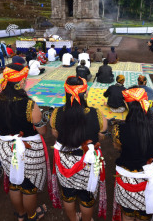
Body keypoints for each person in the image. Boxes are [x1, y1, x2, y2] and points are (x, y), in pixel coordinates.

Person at [0, 63, 49, 221]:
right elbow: (42, 131)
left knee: (14, 183)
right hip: (29, 148)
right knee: (28, 185)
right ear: (21, 82)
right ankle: (32, 215)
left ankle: (21, 214)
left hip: (5, 148)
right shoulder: (30, 104)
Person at [50, 76, 108, 221]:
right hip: (87, 161)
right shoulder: (98, 114)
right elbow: (101, 136)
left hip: (64, 161)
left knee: (68, 194)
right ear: (85, 93)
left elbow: (55, 133)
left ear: (66, 93)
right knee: (86, 195)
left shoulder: (56, 113)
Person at [112, 87, 153, 221]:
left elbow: (118, 147)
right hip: (150, 180)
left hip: (127, 179)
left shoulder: (118, 129)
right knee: (145, 216)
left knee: (127, 214)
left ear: (127, 104)